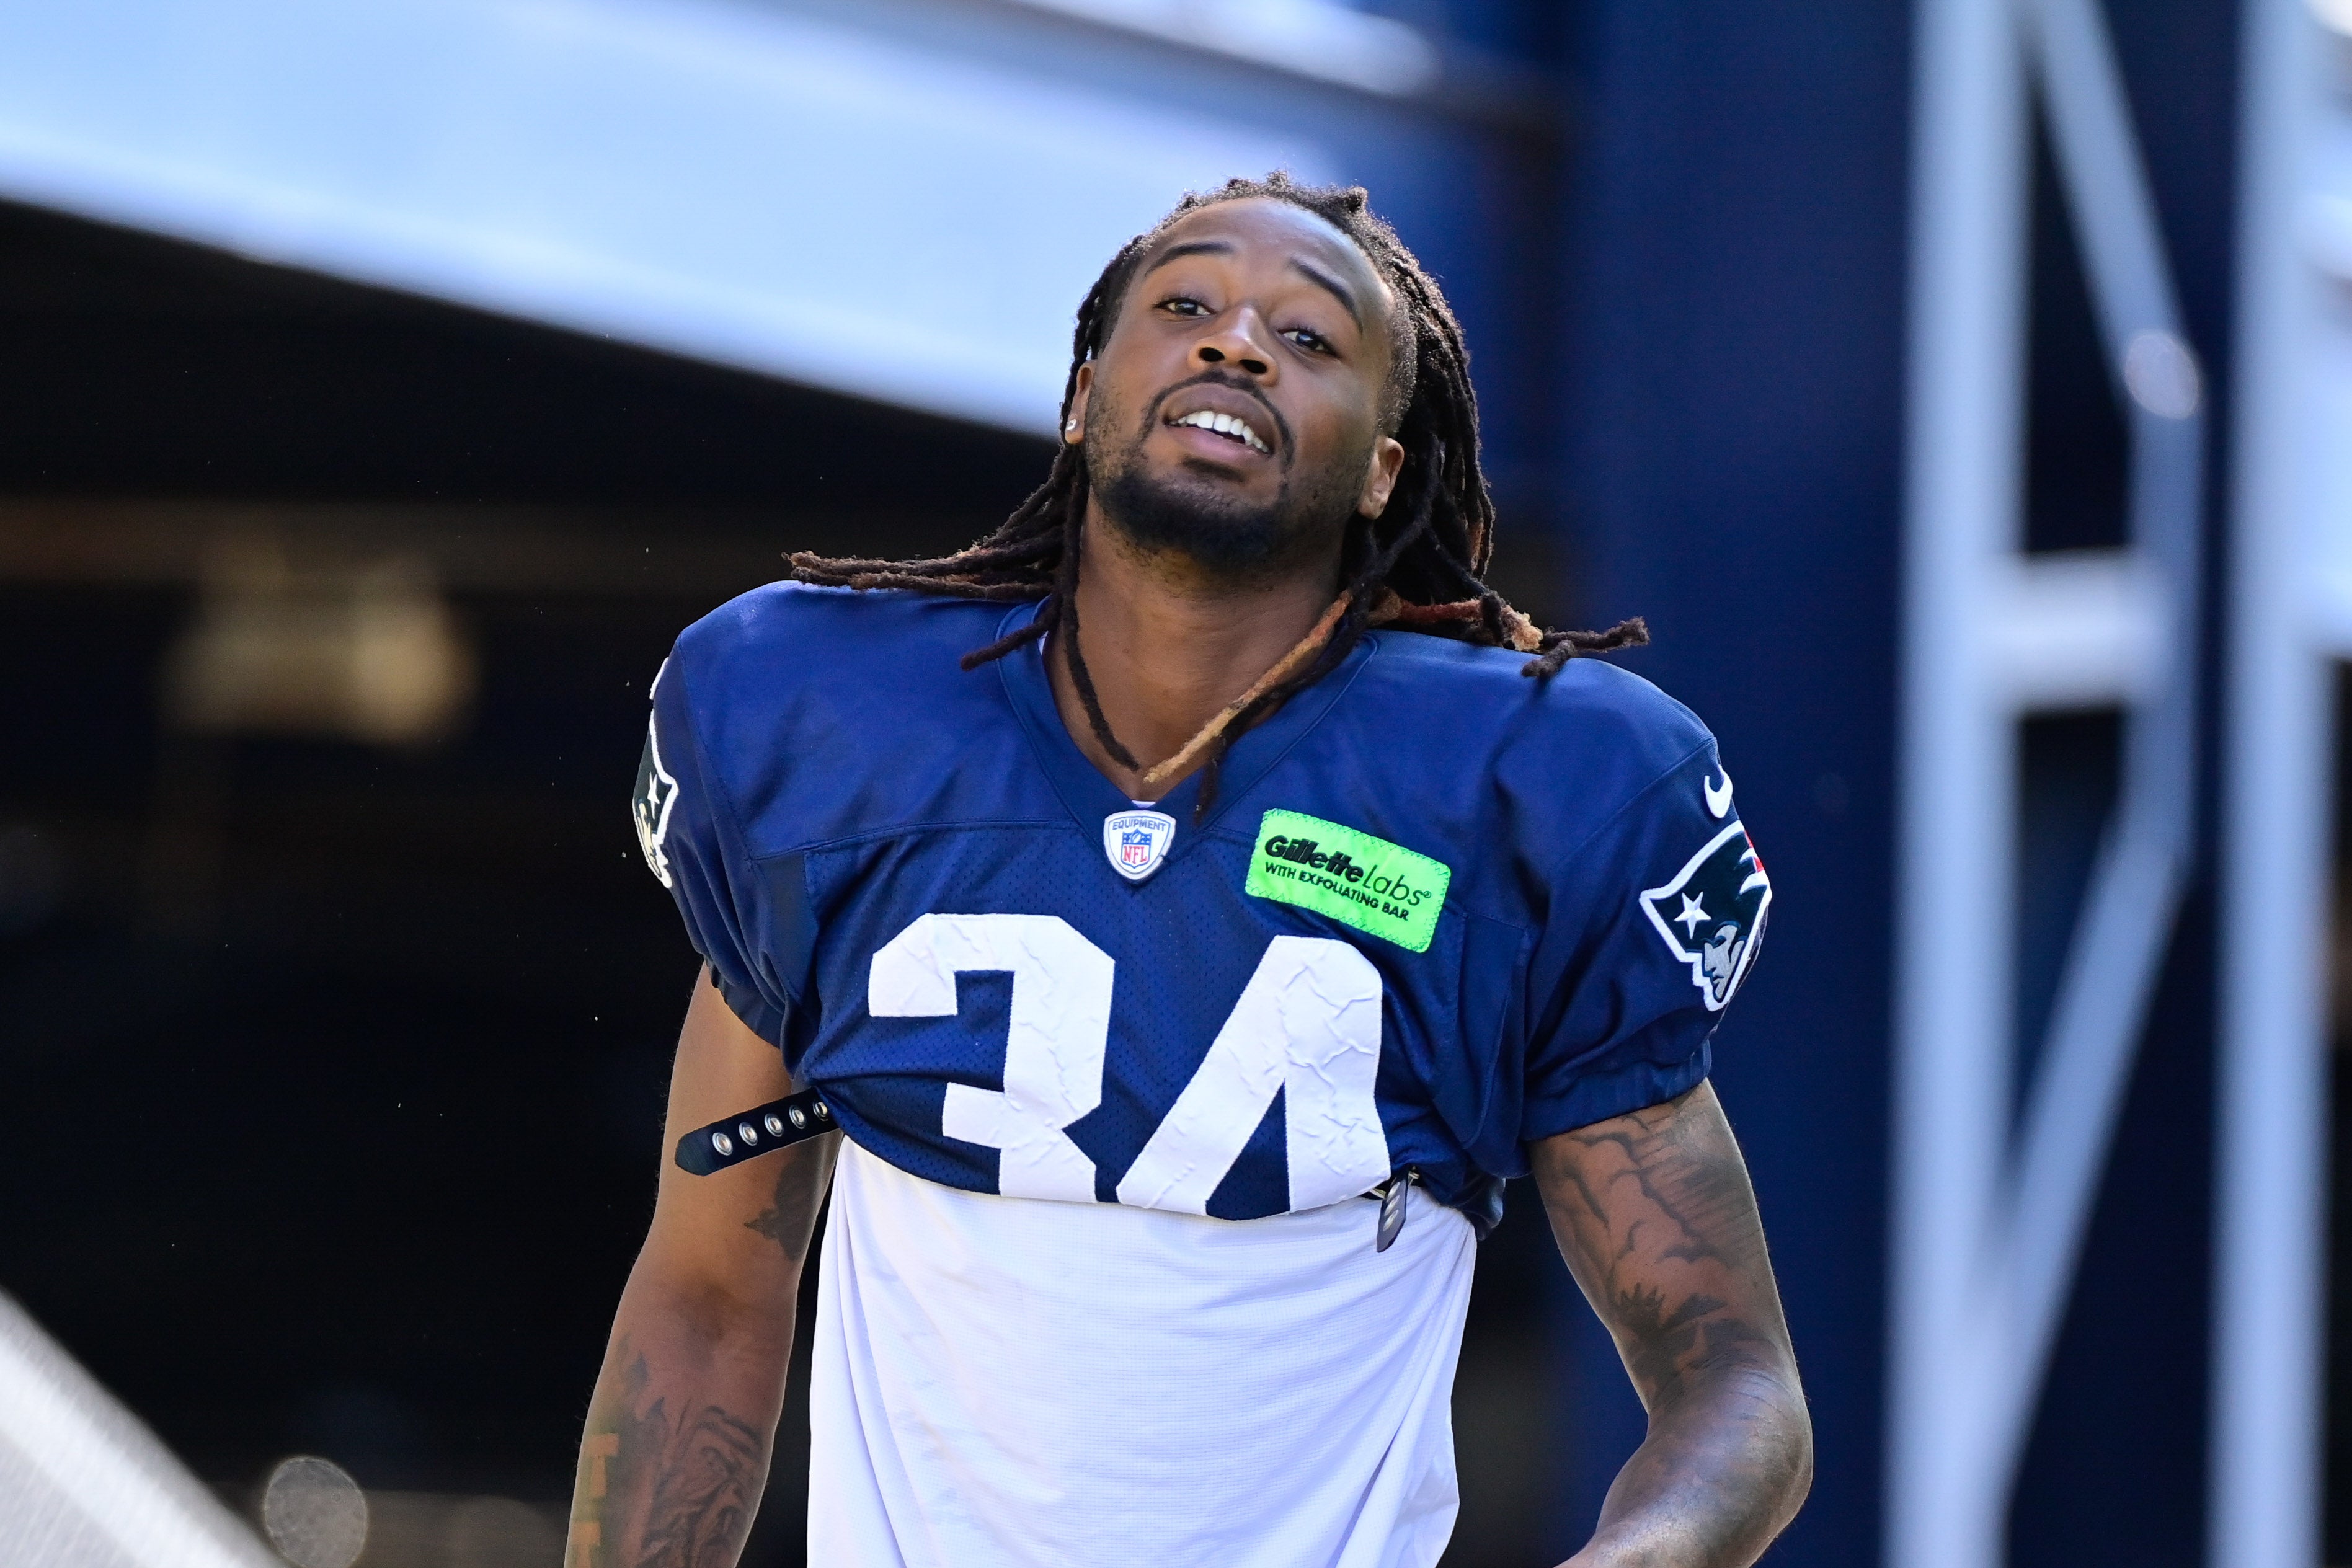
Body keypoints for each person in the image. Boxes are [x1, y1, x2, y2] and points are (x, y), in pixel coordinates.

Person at [567, 174, 1811, 1568]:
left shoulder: (1523, 787)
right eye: (1187, 304)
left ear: (1385, 468)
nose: (1235, 342)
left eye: (1309, 336)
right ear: (1084, 395)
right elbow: (709, 1287)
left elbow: (1734, 1382)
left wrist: (1638, 1556)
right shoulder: (825, 727)